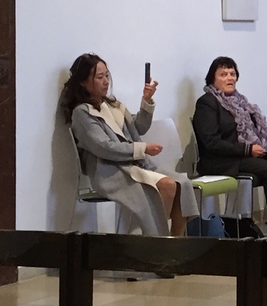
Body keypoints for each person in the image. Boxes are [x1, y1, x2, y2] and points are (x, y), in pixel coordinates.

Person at [61, 53, 197, 237]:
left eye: (107, 75)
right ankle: (157, 242)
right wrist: (142, 149)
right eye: (99, 77)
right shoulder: (82, 113)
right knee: (167, 185)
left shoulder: (113, 105)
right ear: (83, 82)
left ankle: (175, 241)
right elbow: (104, 147)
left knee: (182, 184)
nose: (106, 81)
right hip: (111, 173)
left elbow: (138, 127)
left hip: (133, 166)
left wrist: (146, 101)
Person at [192, 56, 267, 241]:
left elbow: (256, 134)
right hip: (223, 160)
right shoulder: (207, 103)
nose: (229, 78)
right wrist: (247, 150)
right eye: (223, 74)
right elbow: (211, 142)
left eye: (232, 74)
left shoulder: (241, 102)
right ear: (212, 79)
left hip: (247, 155)